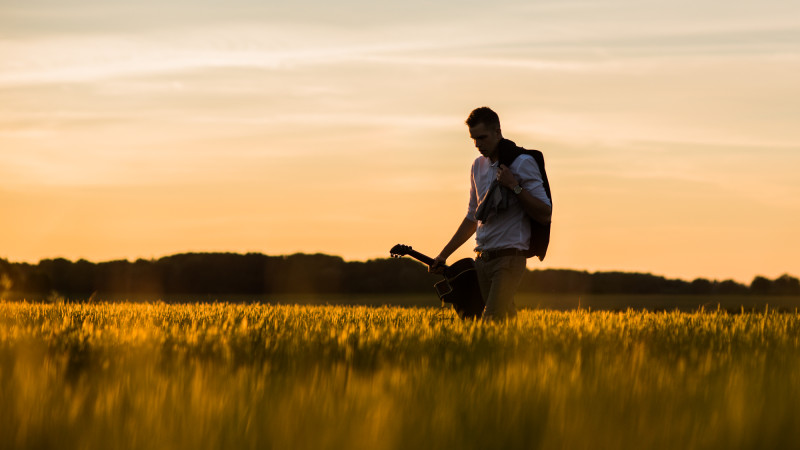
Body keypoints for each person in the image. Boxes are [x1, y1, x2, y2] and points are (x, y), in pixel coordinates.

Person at [430, 107, 552, 321]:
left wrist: (514, 186)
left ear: (498, 132)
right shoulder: (477, 166)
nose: (478, 145)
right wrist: (443, 254)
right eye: (474, 139)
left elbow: (545, 212)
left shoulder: (522, 163)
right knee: (504, 323)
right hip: (482, 260)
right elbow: (472, 218)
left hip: (509, 259)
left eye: (482, 137)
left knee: (491, 321)